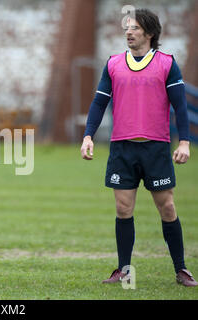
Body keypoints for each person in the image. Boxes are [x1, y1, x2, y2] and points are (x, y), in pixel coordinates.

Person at [80, 8, 197, 287]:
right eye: (126, 29)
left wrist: (184, 142)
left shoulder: (167, 64)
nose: (128, 32)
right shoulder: (113, 64)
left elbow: (180, 107)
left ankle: (181, 269)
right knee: (123, 209)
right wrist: (88, 136)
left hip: (156, 148)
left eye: (134, 28)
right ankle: (124, 270)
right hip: (122, 148)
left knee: (167, 207)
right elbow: (99, 103)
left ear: (150, 32)